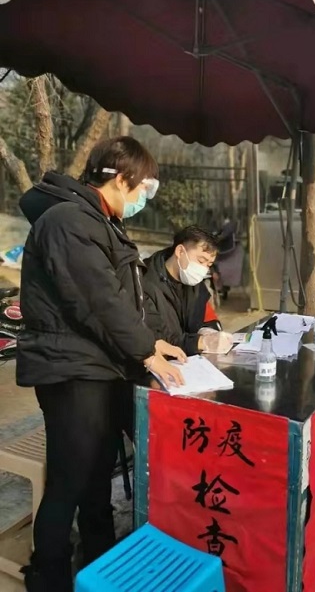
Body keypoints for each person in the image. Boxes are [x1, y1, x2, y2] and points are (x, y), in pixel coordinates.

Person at [17, 137, 186, 592]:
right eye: (146, 186)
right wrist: (145, 351)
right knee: (70, 481)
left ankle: (100, 566)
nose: (146, 196)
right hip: (71, 370)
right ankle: (48, 576)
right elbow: (97, 300)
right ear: (122, 178)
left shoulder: (100, 222)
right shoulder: (68, 221)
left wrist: (152, 340)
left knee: (96, 478)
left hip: (98, 367)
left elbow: (123, 301)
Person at [143, 226, 233, 355]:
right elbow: (153, 340)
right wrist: (199, 342)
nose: (203, 270)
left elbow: (209, 319)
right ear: (180, 251)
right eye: (201, 261)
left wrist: (209, 332)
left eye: (209, 265)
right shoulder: (144, 282)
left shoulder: (195, 284)